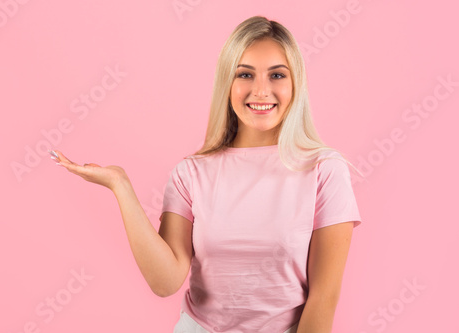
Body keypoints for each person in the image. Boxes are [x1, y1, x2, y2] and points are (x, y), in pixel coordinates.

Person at [48, 15, 363, 333]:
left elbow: (324, 296)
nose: (261, 90)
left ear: (296, 83)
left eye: (277, 75)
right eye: (245, 75)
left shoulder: (324, 171)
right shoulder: (190, 174)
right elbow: (165, 280)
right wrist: (120, 186)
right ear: (227, 83)